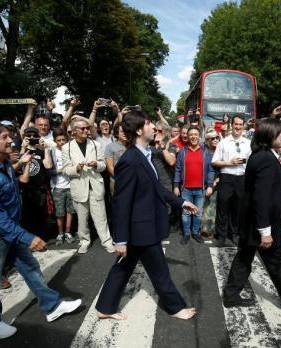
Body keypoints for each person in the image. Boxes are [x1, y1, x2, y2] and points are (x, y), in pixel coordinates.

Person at [0, 121, 81, 339]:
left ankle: (52, 306)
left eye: (9, 136)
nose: (11, 140)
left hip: (11, 231)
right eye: (4, 137)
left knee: (31, 269)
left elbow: (15, 189)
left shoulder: (5, 164)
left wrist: (22, 164)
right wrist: (26, 236)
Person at [95, 110, 198, 321]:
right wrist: (120, 239)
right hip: (141, 228)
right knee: (159, 271)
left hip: (141, 226)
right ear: (140, 130)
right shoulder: (130, 160)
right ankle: (175, 307)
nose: (155, 128)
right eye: (150, 124)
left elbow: (156, 189)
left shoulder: (145, 154)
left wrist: (181, 202)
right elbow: (121, 203)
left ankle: (105, 307)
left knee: (123, 267)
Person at [222, 118, 281, 315]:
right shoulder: (266, 158)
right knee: (275, 263)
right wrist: (265, 231)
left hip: (255, 222)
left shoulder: (263, 155)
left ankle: (231, 295)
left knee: (244, 258)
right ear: (269, 135)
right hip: (261, 225)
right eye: (280, 132)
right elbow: (261, 198)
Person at [61, 116, 114, 254]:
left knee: (101, 217)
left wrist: (97, 164)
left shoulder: (95, 145)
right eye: (82, 128)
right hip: (79, 186)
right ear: (74, 131)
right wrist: (76, 169)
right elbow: (66, 169)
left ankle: (107, 241)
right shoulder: (67, 147)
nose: (86, 130)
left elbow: (103, 166)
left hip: (95, 185)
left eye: (87, 128)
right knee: (82, 218)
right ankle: (84, 241)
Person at [211, 115, 251, 246]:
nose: (238, 127)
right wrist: (229, 162)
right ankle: (221, 235)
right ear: (231, 125)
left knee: (237, 209)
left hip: (242, 179)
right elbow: (215, 161)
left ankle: (234, 233)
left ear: (243, 125)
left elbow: (251, 162)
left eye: (240, 124)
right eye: (236, 124)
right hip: (227, 178)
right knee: (223, 208)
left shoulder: (248, 143)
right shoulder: (223, 142)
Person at [173, 126, 215, 244]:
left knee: (198, 213)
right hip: (186, 189)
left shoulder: (206, 152)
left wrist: (210, 185)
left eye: (195, 134)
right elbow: (178, 169)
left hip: (201, 189)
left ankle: (195, 233)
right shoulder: (182, 152)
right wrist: (176, 185)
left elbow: (211, 170)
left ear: (199, 136)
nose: (193, 137)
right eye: (191, 134)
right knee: (186, 213)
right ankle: (186, 233)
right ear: (188, 136)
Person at [49, 128, 76, 245]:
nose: (61, 142)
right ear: (55, 141)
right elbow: (49, 169)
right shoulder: (52, 152)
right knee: (60, 212)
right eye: (59, 140)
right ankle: (60, 233)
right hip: (58, 186)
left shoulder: (71, 151)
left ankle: (67, 232)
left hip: (71, 185)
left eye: (63, 140)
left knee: (70, 210)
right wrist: (59, 171)